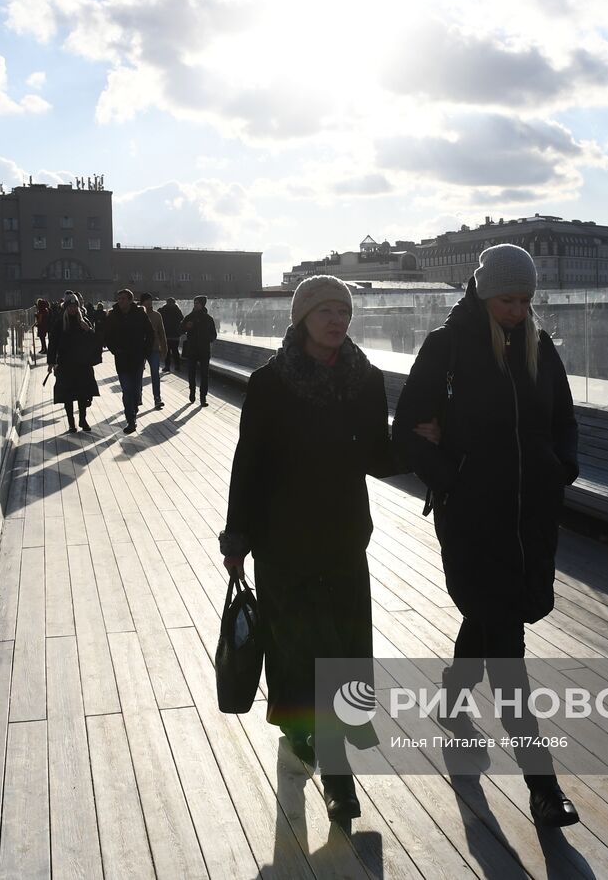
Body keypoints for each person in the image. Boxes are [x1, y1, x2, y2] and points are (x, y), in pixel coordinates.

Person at [392, 243, 582, 830]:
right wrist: (454, 480)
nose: (518, 310)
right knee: (507, 648)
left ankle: (452, 695)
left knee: (495, 618)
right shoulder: (447, 348)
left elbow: (563, 421)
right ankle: (543, 785)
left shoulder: (539, 347)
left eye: (526, 300)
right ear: (482, 292)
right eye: (507, 299)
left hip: (529, 516)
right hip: (473, 518)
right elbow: (407, 432)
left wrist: (558, 471)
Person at [220, 275, 399, 822]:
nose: (336, 319)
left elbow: (377, 456)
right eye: (324, 310)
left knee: (342, 644)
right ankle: (336, 771)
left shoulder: (364, 380)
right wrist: (237, 537)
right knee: (303, 647)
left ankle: (311, 730)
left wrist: (426, 441)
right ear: (301, 318)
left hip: (345, 535)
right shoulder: (271, 382)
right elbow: (248, 463)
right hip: (283, 539)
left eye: (343, 310)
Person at [100, 288, 152, 434]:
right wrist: (114, 349)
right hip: (121, 358)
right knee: (127, 390)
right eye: (119, 298)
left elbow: (150, 333)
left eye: (123, 298)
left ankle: (134, 408)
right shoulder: (113, 315)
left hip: (137, 357)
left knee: (136, 389)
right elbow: (107, 335)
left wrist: (146, 352)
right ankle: (131, 420)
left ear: (130, 300)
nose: (121, 301)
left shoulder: (139, 314)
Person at [47, 293, 101, 432]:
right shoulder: (60, 323)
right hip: (65, 365)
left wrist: (88, 330)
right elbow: (53, 343)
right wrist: (51, 362)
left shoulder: (84, 322)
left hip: (82, 365)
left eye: (75, 306)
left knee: (84, 394)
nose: (72, 309)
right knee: (68, 395)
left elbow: (95, 340)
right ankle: (71, 422)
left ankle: (83, 419)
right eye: (70, 306)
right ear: (66, 308)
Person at [182, 295, 218, 406]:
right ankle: (192, 392)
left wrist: (207, 338)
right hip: (192, 349)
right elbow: (179, 329)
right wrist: (186, 327)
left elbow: (214, 335)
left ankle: (203, 398)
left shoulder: (208, 319)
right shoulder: (189, 317)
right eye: (195, 303)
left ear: (202, 304)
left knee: (204, 374)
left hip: (204, 350)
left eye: (197, 303)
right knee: (191, 373)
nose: (195, 305)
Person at [139, 292, 168, 410]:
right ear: (142, 302)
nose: (150, 302)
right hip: (140, 349)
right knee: (138, 374)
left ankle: (157, 398)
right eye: (147, 300)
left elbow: (162, 332)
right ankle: (138, 396)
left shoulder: (157, 315)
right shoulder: (138, 314)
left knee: (155, 373)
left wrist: (164, 348)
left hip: (154, 349)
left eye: (150, 300)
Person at [159, 296, 184, 372]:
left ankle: (167, 366)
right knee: (175, 351)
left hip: (166, 333)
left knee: (167, 351)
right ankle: (177, 366)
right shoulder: (177, 310)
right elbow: (181, 318)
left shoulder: (163, 310)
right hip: (174, 334)